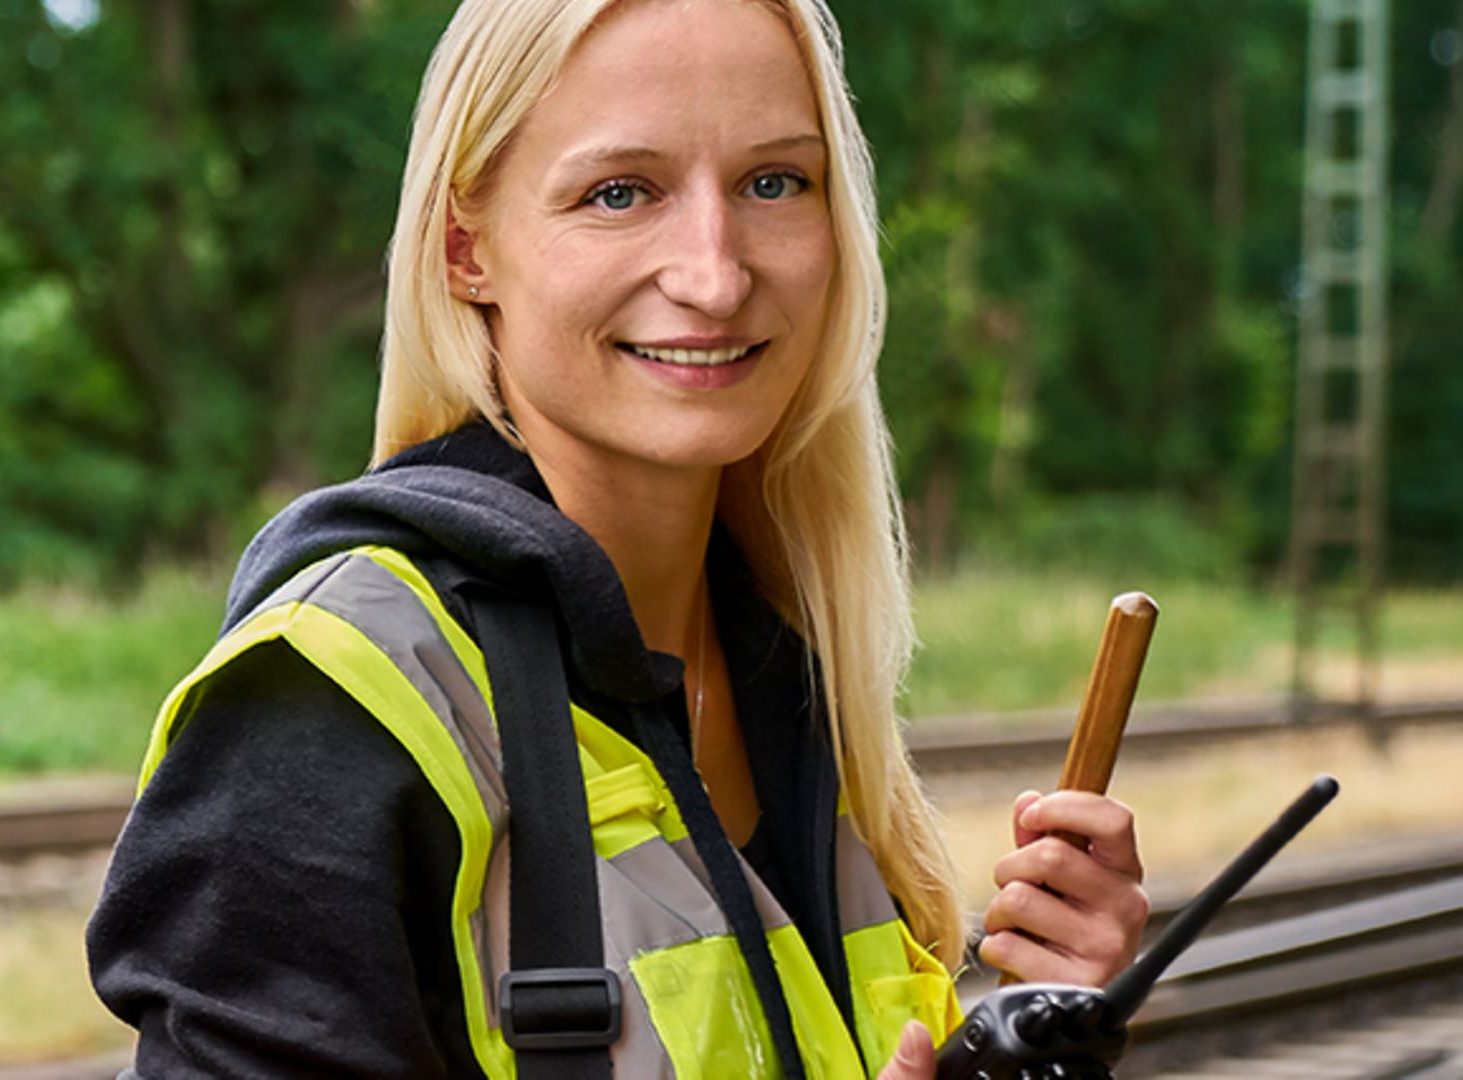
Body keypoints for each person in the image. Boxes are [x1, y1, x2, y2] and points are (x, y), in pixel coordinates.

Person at [86, 0, 1150, 1076]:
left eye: (773, 182)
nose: (715, 273)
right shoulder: (332, 707)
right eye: (620, 193)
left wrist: (1032, 1028)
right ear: (467, 250)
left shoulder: (791, 672)